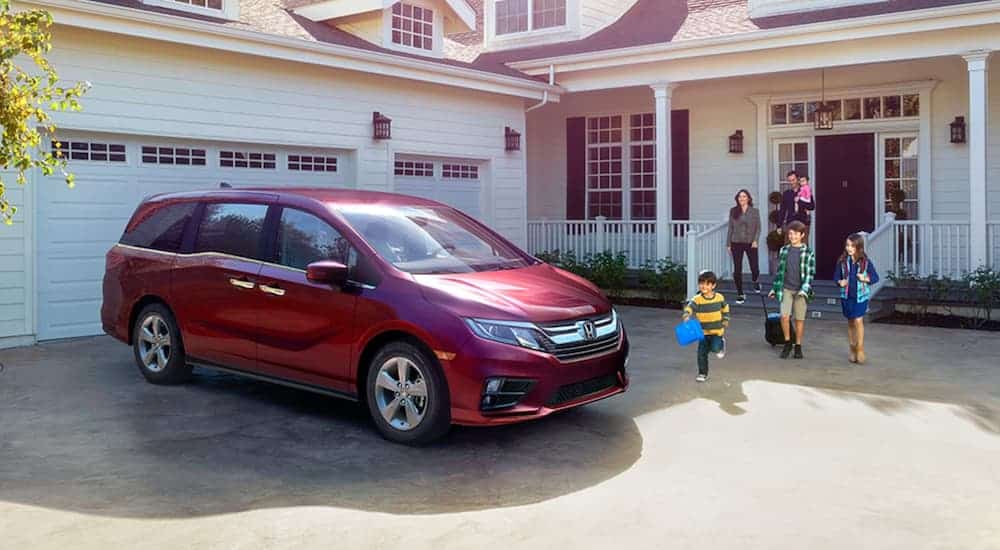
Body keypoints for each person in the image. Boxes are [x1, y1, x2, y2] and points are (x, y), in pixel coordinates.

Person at [768, 221, 815, 359]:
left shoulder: (808, 253)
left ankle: (798, 346)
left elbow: (809, 274)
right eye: (790, 234)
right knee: (784, 316)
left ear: (802, 235)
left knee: (799, 319)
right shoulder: (784, 250)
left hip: (801, 290)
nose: (792, 236)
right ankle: (788, 342)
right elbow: (780, 272)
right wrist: (775, 288)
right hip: (786, 289)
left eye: (795, 234)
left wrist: (804, 290)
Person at [835, 233, 880, 364]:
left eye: (852, 246)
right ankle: (852, 348)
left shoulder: (865, 262)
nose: (849, 248)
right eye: (847, 245)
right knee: (850, 322)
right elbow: (836, 276)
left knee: (858, 320)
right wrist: (840, 282)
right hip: (847, 296)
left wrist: (865, 278)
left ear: (858, 247)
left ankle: (860, 349)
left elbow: (875, 277)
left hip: (861, 297)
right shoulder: (842, 262)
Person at [683, 270, 730, 383]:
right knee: (701, 354)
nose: (703, 286)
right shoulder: (697, 299)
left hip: (717, 331)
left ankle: (720, 345)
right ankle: (702, 373)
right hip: (703, 332)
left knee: (714, 348)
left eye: (707, 284)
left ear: (713, 285)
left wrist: (726, 319)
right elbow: (690, 307)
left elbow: (725, 308)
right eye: (701, 283)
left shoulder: (719, 297)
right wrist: (687, 314)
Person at [727, 189, 761, 305]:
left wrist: (755, 240)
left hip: (751, 243)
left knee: (754, 266)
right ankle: (740, 293)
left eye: (744, 196)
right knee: (737, 269)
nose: (742, 198)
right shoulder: (733, 211)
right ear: (737, 199)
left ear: (748, 198)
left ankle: (755, 280)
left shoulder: (754, 211)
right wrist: (728, 244)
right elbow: (730, 228)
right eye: (740, 197)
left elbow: (758, 228)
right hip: (736, 242)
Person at [777, 171, 814, 240]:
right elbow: (782, 210)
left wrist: (799, 201)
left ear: (798, 179)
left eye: (793, 180)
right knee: (788, 246)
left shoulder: (805, 191)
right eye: (790, 180)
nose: (792, 182)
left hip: (803, 223)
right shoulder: (786, 194)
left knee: (802, 247)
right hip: (790, 223)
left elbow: (811, 206)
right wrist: (779, 225)